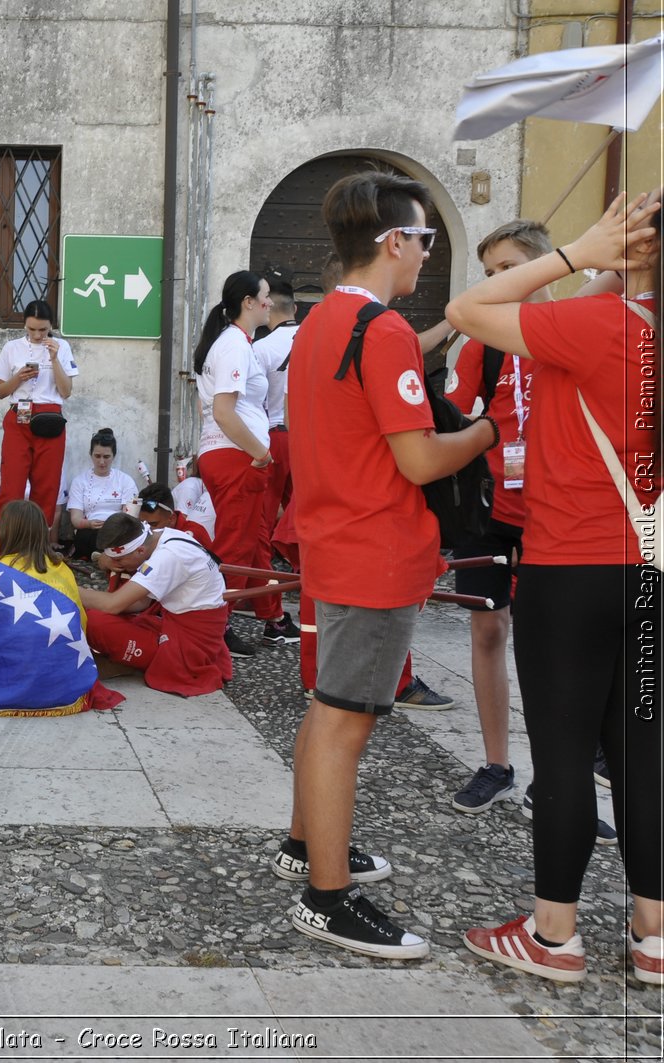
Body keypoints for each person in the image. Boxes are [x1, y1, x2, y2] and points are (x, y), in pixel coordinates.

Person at [277, 171, 496, 961]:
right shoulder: (385, 331)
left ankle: (308, 847)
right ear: (393, 242)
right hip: (377, 548)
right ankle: (326, 897)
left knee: (325, 706)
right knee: (345, 721)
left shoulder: (320, 323)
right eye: (427, 239)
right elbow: (417, 458)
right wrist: (482, 434)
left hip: (336, 540)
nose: (426, 254)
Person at [448, 189, 661, 985]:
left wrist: (578, 251)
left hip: (571, 562)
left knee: (566, 753)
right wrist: (615, 266)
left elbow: (468, 308)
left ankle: (554, 934)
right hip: (649, 567)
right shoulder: (632, 327)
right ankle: (654, 938)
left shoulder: (598, 323)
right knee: (646, 751)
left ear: (631, 244)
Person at [443, 220, 548, 814]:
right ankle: (496, 764)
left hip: (556, 516)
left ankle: (555, 777)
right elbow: (452, 422)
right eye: (489, 273)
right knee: (488, 630)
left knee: (549, 644)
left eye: (509, 269)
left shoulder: (569, 328)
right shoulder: (484, 342)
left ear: (544, 265)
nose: (498, 283)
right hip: (490, 511)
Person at [0, 500, 119, 715]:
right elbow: (79, 623)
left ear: (7, 532)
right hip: (60, 682)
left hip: (5, 671)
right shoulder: (61, 569)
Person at [193, 270, 298, 650]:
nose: (271, 303)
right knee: (235, 548)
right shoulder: (235, 345)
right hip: (238, 456)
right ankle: (212, 628)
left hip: (231, 454)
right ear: (248, 303)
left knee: (254, 543)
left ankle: (272, 619)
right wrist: (262, 453)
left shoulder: (232, 343)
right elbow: (224, 411)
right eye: (265, 296)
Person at [80, 512, 232, 697]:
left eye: (119, 560)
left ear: (140, 551)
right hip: (183, 624)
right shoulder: (160, 536)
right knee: (96, 610)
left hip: (191, 643)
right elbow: (140, 603)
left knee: (95, 621)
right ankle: (126, 660)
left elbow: (113, 604)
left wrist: (65, 587)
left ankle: (125, 664)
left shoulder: (166, 557)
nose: (116, 565)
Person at [0, 299, 78, 552]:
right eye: (32, 330)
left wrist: (55, 358)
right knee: (10, 488)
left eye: (43, 329)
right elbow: (0, 392)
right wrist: (18, 378)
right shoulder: (12, 348)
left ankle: (36, 552)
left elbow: (66, 391)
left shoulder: (62, 346)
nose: (38, 335)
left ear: (51, 326)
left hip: (50, 420)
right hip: (19, 417)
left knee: (47, 489)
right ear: (25, 326)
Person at [251, 272, 298, 544]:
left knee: (266, 511)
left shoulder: (261, 348)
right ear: (295, 308)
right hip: (309, 438)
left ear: (268, 308)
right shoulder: (316, 336)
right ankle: (306, 572)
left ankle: (264, 577)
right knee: (304, 510)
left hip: (275, 435)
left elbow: (254, 399)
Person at [66, 428, 139, 558]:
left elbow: (130, 517)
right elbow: (76, 519)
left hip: (117, 530)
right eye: (97, 456)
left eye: (106, 457)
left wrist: (112, 525)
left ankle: (102, 556)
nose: (101, 462)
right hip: (90, 530)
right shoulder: (79, 481)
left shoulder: (125, 480)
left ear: (113, 456)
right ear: (90, 454)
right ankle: (104, 556)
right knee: (86, 537)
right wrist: (89, 523)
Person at [133, 482, 215, 552]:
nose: (147, 529)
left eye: (153, 524)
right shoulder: (140, 533)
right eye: (143, 524)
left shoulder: (194, 535)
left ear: (172, 519)